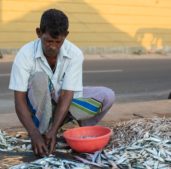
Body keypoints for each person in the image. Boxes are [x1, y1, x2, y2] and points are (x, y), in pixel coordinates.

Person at [9, 9, 115, 157]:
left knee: (107, 95)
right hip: (38, 108)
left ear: (66, 36)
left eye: (58, 42)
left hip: (62, 102)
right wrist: (33, 134)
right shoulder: (25, 54)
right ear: (39, 33)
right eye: (48, 41)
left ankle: (75, 130)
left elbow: (67, 94)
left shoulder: (74, 54)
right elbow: (19, 98)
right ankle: (42, 131)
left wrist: (54, 131)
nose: (53, 46)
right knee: (40, 78)